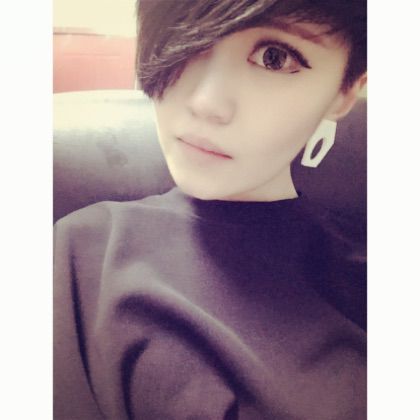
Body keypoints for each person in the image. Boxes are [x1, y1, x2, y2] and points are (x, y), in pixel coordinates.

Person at [54, 1, 367, 419]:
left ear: (345, 92)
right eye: (187, 37)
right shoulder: (80, 256)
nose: (205, 103)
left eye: (274, 57)